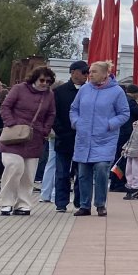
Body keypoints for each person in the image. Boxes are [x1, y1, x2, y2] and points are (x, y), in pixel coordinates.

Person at [69, 60, 127, 216]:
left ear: (105, 74)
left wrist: (109, 124)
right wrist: (77, 122)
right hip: (84, 138)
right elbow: (74, 109)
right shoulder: (84, 89)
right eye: (90, 72)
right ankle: (84, 205)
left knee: (101, 169)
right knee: (83, 173)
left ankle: (100, 204)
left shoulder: (117, 91)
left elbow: (124, 113)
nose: (90, 74)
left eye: (94, 71)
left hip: (105, 139)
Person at [0, 67, 55, 216]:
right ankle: (6, 202)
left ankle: (23, 204)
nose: (44, 83)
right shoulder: (19, 89)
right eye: (42, 80)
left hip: (35, 137)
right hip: (13, 136)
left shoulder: (49, 95)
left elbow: (51, 114)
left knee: (28, 173)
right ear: (34, 78)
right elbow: (5, 107)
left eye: (48, 81)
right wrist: (11, 123)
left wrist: (45, 130)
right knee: (14, 166)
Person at [48, 61, 87, 211]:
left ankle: (80, 201)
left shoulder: (89, 91)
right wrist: (60, 131)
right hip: (64, 137)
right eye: (83, 72)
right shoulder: (59, 92)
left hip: (83, 139)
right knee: (62, 172)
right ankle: (61, 202)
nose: (86, 75)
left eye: (87, 72)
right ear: (73, 72)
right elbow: (53, 114)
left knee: (82, 173)